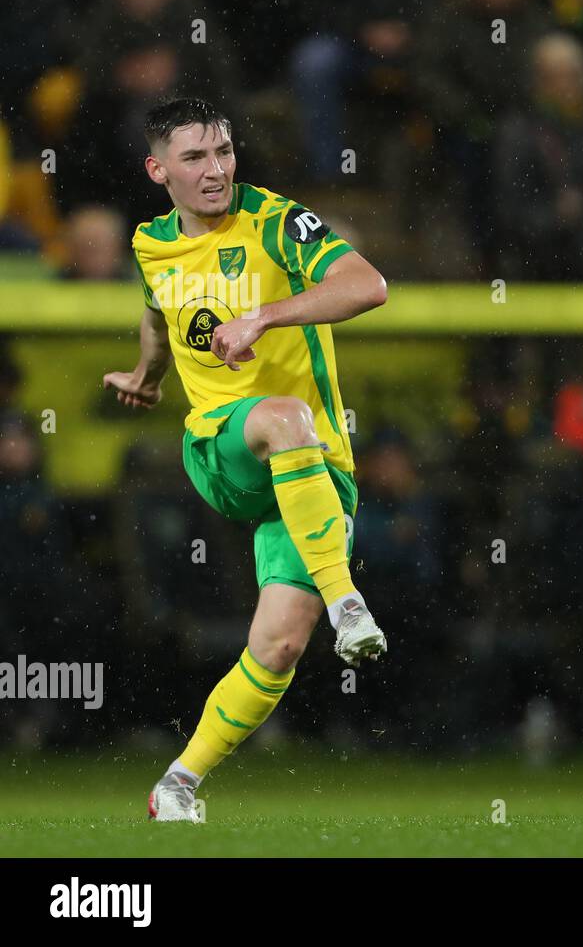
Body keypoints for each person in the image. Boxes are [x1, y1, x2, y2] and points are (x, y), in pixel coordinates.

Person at [102, 97, 389, 822]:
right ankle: (346, 601)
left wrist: (264, 315)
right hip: (225, 448)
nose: (215, 170)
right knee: (285, 416)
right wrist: (149, 376)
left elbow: (368, 285)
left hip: (315, 471)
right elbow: (156, 311)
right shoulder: (149, 242)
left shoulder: (274, 220)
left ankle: (176, 786)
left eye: (224, 152)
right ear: (157, 168)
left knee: (280, 645)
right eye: (194, 157)